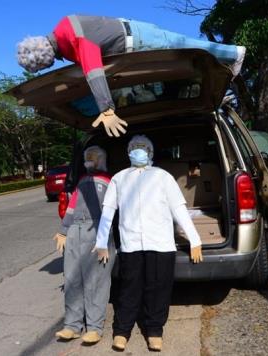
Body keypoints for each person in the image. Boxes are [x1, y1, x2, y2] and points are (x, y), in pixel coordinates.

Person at [16, 15, 246, 137]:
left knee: (187, 53)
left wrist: (107, 109)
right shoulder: (64, 26)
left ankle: (233, 55)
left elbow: (93, 70)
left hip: (137, 41)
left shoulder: (71, 38)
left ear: (44, 59)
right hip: (133, 33)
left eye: (43, 66)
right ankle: (225, 80)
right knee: (183, 59)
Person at [93, 135, 203, 351]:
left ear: (150, 152)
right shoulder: (119, 178)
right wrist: (101, 241)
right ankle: (122, 331)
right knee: (128, 289)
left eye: (143, 148)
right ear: (128, 152)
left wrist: (195, 240)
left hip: (160, 242)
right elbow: (108, 212)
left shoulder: (163, 177)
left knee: (159, 288)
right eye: (135, 147)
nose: (139, 151)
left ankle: (154, 330)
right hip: (131, 243)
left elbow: (178, 209)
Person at [52, 146, 116, 344]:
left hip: (97, 231)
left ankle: (95, 327)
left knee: (96, 280)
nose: (90, 161)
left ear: (102, 160)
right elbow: (71, 207)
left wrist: (104, 241)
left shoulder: (109, 182)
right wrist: (64, 231)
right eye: (88, 158)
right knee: (72, 278)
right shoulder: (81, 180)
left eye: (94, 158)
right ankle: (72, 325)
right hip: (75, 230)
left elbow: (109, 212)